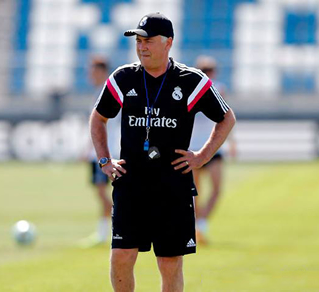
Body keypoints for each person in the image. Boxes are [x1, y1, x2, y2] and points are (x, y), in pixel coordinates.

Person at [89, 12, 235, 292]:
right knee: (122, 256)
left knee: (169, 262)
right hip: (130, 183)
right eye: (138, 40)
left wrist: (202, 156)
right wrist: (105, 160)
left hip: (173, 186)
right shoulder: (123, 78)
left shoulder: (192, 80)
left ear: (168, 42)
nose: (141, 46)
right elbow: (98, 118)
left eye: (148, 40)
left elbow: (226, 118)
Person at [190, 55, 236, 245]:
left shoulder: (217, 89)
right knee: (196, 192)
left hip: (212, 146)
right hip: (194, 146)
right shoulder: (193, 89)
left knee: (213, 190)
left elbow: (225, 117)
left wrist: (232, 141)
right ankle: (197, 227)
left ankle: (200, 224)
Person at [80, 57, 118, 247]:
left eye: (93, 71)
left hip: (106, 152)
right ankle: (103, 233)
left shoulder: (107, 92)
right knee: (103, 193)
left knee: (104, 193)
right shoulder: (100, 92)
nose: (90, 75)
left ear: (102, 72)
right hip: (100, 151)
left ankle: (119, 225)